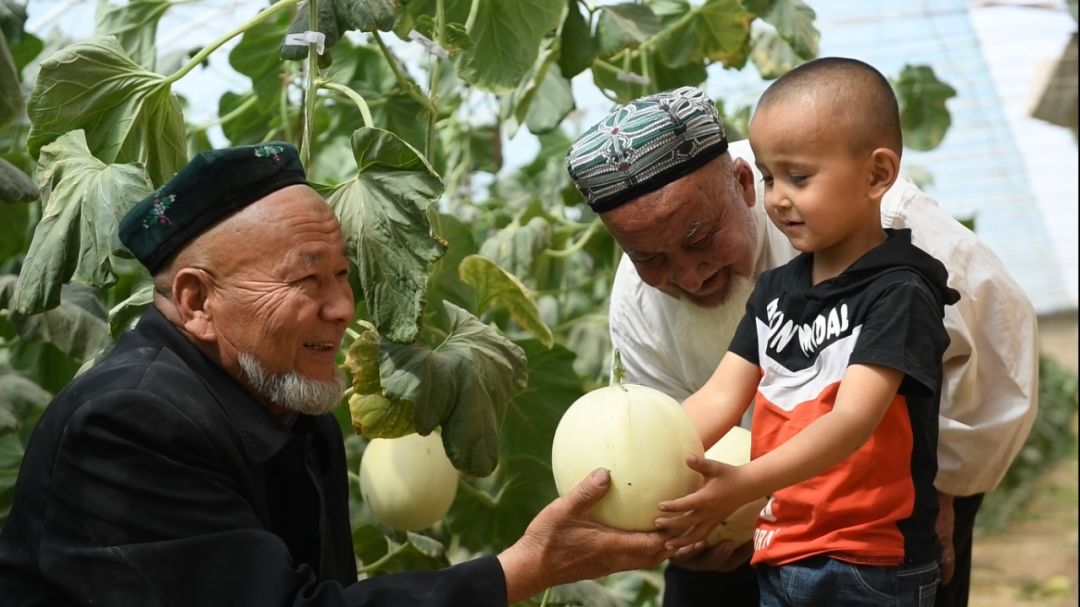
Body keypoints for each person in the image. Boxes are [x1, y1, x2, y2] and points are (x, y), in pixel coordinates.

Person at [0, 142, 675, 606]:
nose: (344, 307)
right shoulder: (126, 424)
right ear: (197, 301)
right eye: (307, 279)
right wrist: (521, 570)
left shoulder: (287, 400)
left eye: (344, 274)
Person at [565, 66, 1039, 606]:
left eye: (700, 237)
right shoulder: (748, 292)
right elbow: (707, 404)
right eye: (651, 258)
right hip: (762, 515)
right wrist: (637, 480)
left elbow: (985, 352)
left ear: (741, 183)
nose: (689, 275)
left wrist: (948, 485)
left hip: (877, 535)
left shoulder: (898, 251)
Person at [658, 57, 960, 604]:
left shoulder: (900, 290)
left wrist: (744, 484)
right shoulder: (774, 291)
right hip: (783, 546)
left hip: (872, 561)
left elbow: (851, 421)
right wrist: (647, 455)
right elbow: (720, 397)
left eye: (799, 177)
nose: (776, 197)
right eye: (770, 176)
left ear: (877, 175)